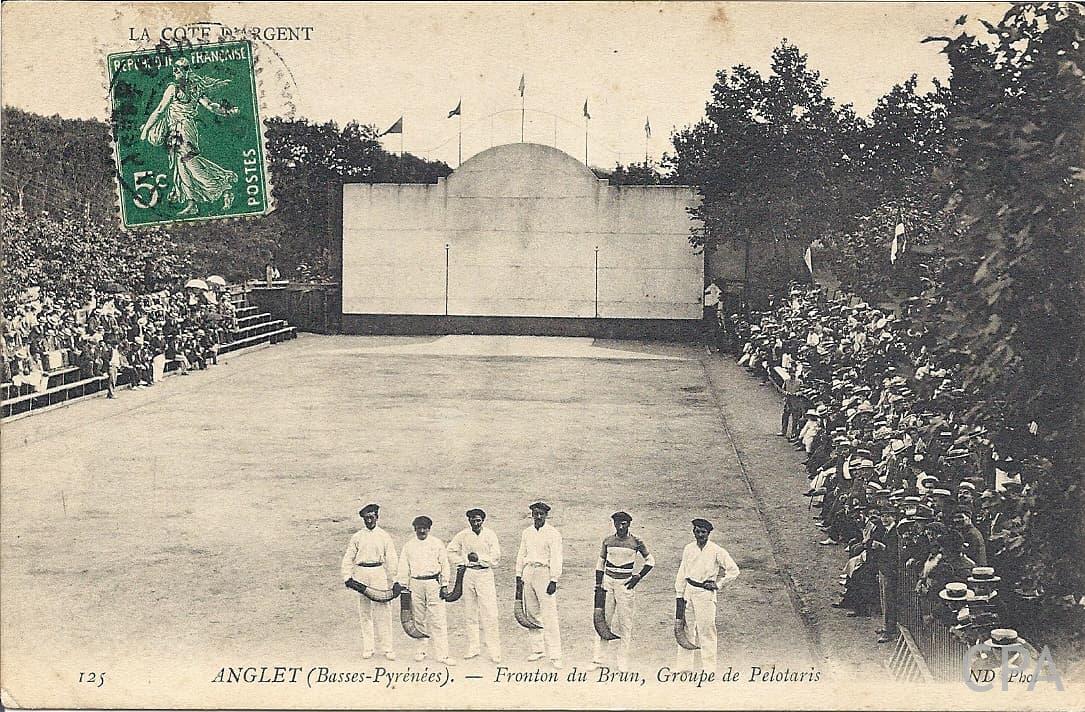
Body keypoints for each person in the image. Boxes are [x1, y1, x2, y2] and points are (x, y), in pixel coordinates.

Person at [139, 57, 239, 217]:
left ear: (187, 71)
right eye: (175, 68)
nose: (175, 71)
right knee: (181, 166)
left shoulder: (174, 89)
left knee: (191, 164)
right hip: (181, 130)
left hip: (182, 130)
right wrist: (226, 112)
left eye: (179, 68)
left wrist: (146, 131)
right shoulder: (194, 89)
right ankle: (192, 203)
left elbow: (159, 110)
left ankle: (224, 189)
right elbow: (210, 106)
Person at [589, 511, 654, 672]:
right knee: (603, 621)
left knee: (625, 624)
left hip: (625, 586)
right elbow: (600, 563)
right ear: (614, 524)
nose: (620, 526)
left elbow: (650, 561)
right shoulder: (608, 541)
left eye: (624, 523)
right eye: (617, 522)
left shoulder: (636, 541)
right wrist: (599, 585)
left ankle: (622, 661)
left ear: (629, 524)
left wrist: (638, 576)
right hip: (608, 583)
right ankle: (599, 660)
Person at [674, 518, 740, 673]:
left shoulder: (717, 550)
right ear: (693, 532)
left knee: (706, 630)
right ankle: (684, 667)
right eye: (697, 531)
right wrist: (679, 593)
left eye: (703, 532)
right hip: (689, 591)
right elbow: (682, 571)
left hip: (705, 594)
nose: (700, 535)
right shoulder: (688, 549)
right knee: (687, 628)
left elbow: (733, 570)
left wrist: (718, 584)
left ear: (709, 533)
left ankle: (708, 669)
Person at [340, 503, 398, 661]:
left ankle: (387, 648)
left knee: (383, 610)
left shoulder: (384, 536)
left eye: (372, 517)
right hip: (361, 574)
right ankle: (368, 647)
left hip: (378, 573)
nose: (369, 520)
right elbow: (348, 557)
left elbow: (391, 559)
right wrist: (347, 577)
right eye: (366, 518)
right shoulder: (357, 537)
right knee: (365, 612)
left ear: (377, 518)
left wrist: (396, 580)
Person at [446, 508, 502, 663]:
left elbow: (495, 558)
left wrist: (479, 558)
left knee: (490, 613)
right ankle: (473, 647)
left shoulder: (490, 535)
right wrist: (464, 561)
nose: (475, 523)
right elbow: (450, 551)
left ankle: (494, 651)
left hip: (485, 574)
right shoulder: (463, 535)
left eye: (478, 520)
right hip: (469, 574)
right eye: (472, 520)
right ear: (468, 520)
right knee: (470, 612)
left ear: (483, 521)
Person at [398, 515, 454, 666]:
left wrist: (444, 584)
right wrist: (403, 584)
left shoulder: (437, 543)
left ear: (429, 529)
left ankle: (443, 654)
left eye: (424, 528)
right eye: (419, 528)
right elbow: (404, 566)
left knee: (438, 618)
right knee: (418, 618)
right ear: (414, 529)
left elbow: (444, 564)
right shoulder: (409, 546)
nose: (422, 531)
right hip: (415, 583)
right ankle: (420, 650)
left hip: (433, 584)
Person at [515, 501, 563, 669]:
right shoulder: (527, 532)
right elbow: (522, 553)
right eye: (535, 513)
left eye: (541, 513)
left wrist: (554, 579)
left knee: (549, 615)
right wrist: (518, 575)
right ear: (532, 514)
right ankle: (538, 649)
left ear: (546, 515)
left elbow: (557, 557)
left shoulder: (553, 533)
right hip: (529, 572)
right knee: (532, 613)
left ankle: (555, 655)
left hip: (544, 573)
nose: (538, 516)